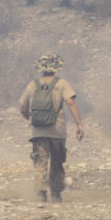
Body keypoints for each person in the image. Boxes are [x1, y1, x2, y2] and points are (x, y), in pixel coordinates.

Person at [19, 54, 84, 202]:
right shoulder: (62, 83)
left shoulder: (32, 84)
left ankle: (41, 195)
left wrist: (32, 120)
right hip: (57, 131)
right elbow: (71, 103)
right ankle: (56, 195)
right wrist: (79, 124)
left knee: (40, 162)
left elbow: (23, 108)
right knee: (57, 162)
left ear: (40, 68)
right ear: (56, 68)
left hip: (38, 131)